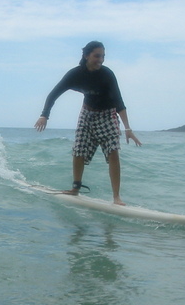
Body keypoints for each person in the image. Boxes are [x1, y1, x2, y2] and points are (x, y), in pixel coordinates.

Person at [34, 41, 142, 205]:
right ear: (86, 56)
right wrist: (44, 115)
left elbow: (119, 102)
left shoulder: (107, 74)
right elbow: (53, 94)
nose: (100, 60)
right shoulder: (75, 74)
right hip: (87, 112)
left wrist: (127, 127)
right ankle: (75, 188)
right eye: (97, 56)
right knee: (78, 150)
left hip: (107, 114)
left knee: (113, 151)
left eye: (103, 56)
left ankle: (116, 197)